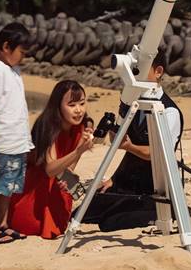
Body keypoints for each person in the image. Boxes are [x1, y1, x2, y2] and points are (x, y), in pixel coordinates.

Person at [79, 49, 184, 232]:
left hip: (154, 188)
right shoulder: (133, 103)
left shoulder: (169, 112)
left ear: (158, 71)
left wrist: (129, 145)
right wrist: (113, 179)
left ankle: (175, 212)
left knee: (109, 222)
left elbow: (156, 154)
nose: (136, 73)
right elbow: (125, 146)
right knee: (84, 212)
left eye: (142, 69)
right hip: (129, 182)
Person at [7, 80, 94, 239]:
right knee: (31, 225)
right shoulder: (48, 125)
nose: (79, 110)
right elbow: (49, 169)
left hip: (56, 180)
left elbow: (69, 167)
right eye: (72, 105)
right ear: (58, 105)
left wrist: (68, 174)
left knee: (58, 221)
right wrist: (79, 150)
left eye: (82, 103)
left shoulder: (81, 126)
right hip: (34, 184)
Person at [0, 22, 34, 244]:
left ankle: (3, 224)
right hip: (5, 140)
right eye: (21, 52)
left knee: (9, 186)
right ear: (6, 47)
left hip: (19, 141)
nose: (23, 57)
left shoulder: (13, 71)